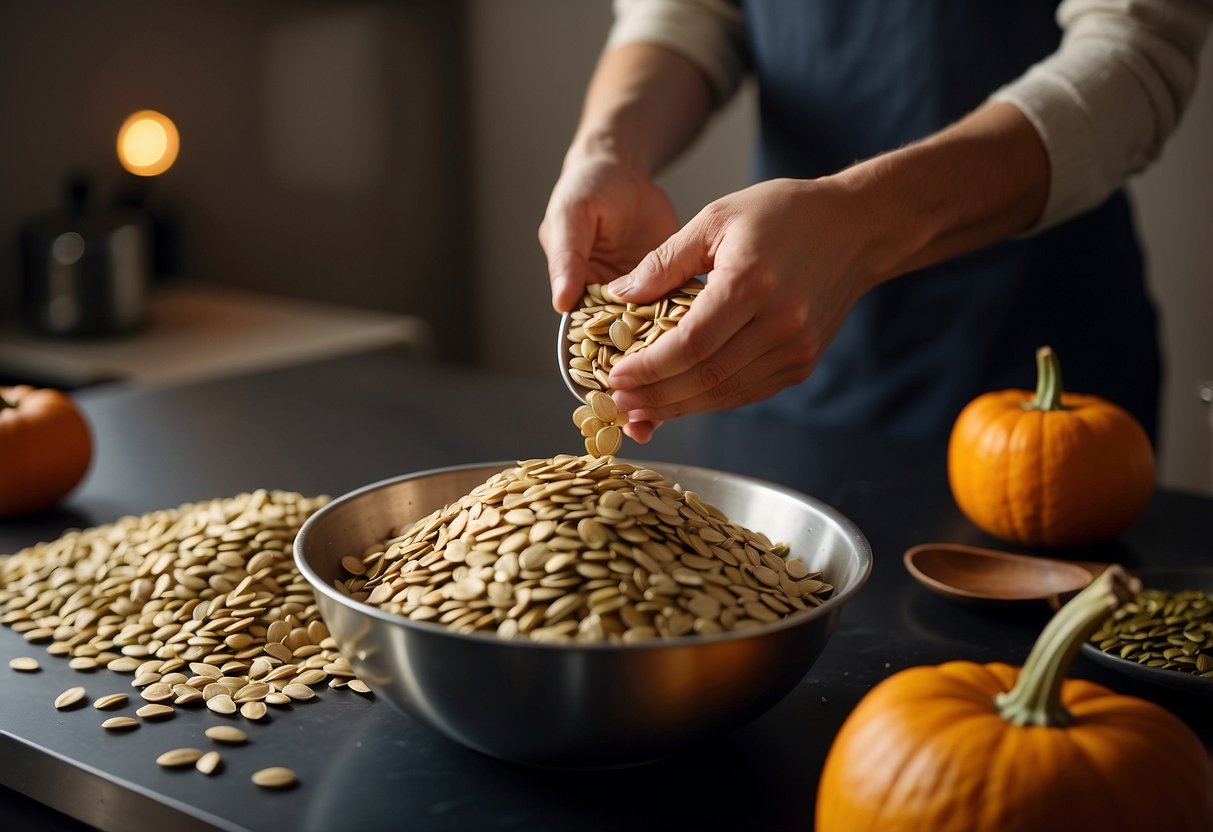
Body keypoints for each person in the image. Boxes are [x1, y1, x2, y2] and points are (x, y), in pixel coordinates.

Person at [539, 0, 1213, 446]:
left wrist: (857, 223)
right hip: (756, 355)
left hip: (1038, 375)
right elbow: (686, 14)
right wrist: (606, 149)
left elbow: (1137, 53)